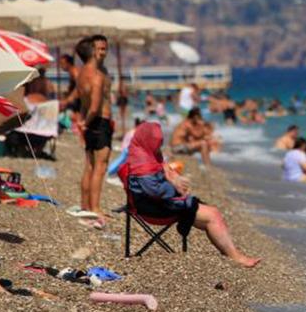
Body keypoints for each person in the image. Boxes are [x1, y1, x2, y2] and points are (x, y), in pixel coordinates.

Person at [125, 122, 260, 267]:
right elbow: (156, 191)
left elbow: (161, 171)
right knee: (213, 214)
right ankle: (235, 256)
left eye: (160, 142)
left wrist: (174, 179)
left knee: (209, 211)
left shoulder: (143, 152)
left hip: (152, 203)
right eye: (156, 143)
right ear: (148, 140)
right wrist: (176, 188)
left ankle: (230, 252)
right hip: (152, 209)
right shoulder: (142, 164)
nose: (159, 146)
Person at [73, 35, 112, 226]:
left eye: (105, 48)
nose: (104, 52)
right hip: (99, 122)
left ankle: (86, 205)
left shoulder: (82, 73)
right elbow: (95, 106)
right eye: (101, 49)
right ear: (92, 51)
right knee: (100, 167)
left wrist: (82, 121)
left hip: (90, 123)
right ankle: (95, 208)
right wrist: (86, 123)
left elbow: (83, 101)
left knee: (89, 165)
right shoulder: (97, 75)